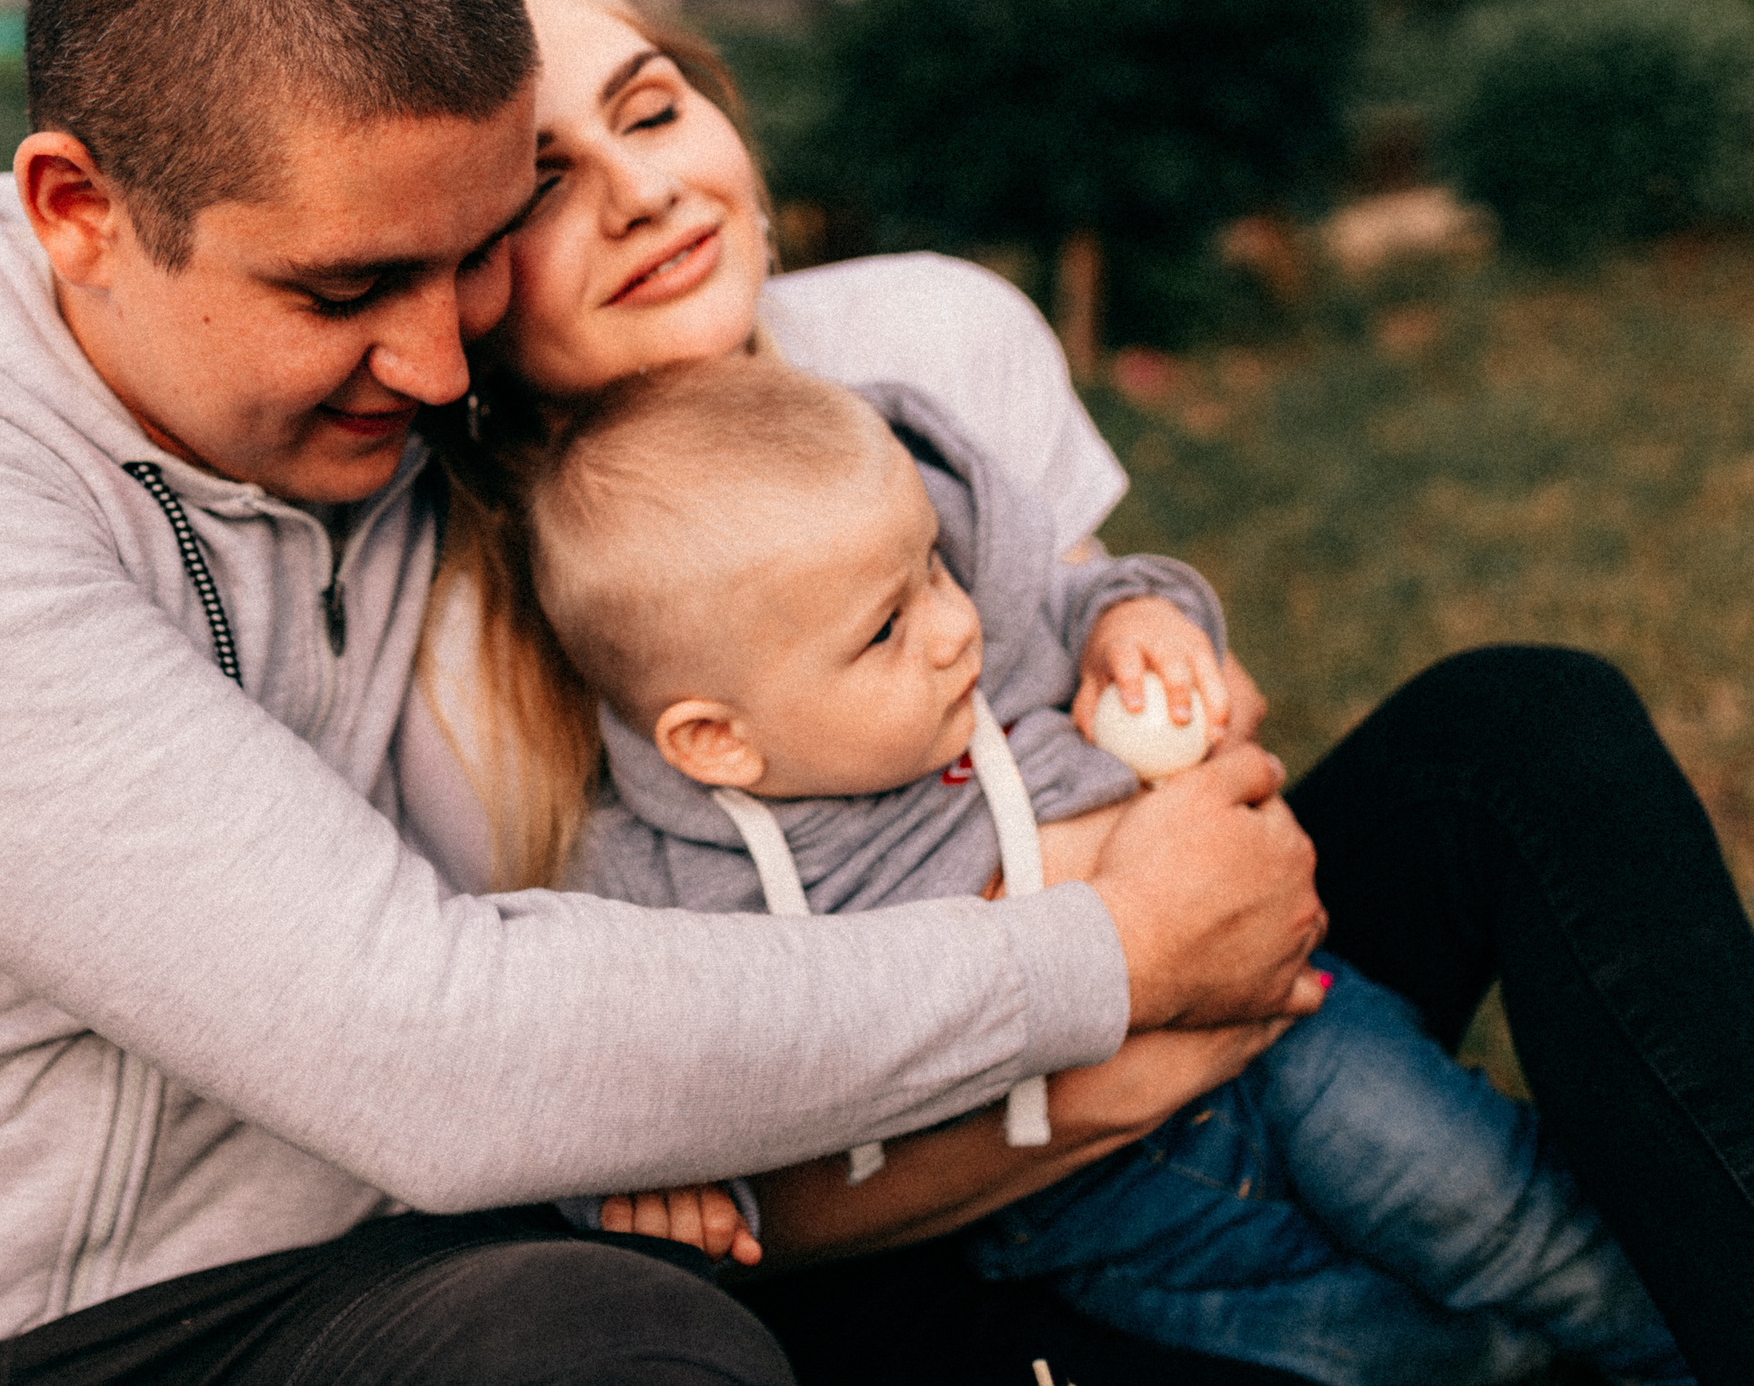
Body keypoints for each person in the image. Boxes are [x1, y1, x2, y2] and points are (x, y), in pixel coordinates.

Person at [0, 0, 1330, 1386]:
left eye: (467, 259)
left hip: (298, 1306)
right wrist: (1109, 956)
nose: (439, 366)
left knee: (625, 1337)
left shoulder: (400, 412)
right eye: (343, 289)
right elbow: (429, 1041)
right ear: (77, 209)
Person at [396, 0, 1754, 1385]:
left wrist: (1172, 686)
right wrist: (1112, 1055)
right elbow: (702, 1203)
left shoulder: (927, 343)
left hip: (1252, 1002)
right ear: (457, 267)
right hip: (948, 1232)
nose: (643, 190)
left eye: (653, 111)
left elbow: (1160, 715)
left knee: (1524, 725)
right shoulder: (465, 645)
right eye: (543, 181)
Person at [525, 353, 1689, 1386]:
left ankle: (1671, 1346)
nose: (951, 627)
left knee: (1498, 1215)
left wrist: (1136, 620)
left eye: (934, 566)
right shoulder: (665, 883)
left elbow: (1089, 592)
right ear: (717, 739)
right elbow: (636, 1070)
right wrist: (662, 1184)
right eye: (885, 628)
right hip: (1087, 1216)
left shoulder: (976, 641)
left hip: (1289, 1045)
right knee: (1382, 1351)